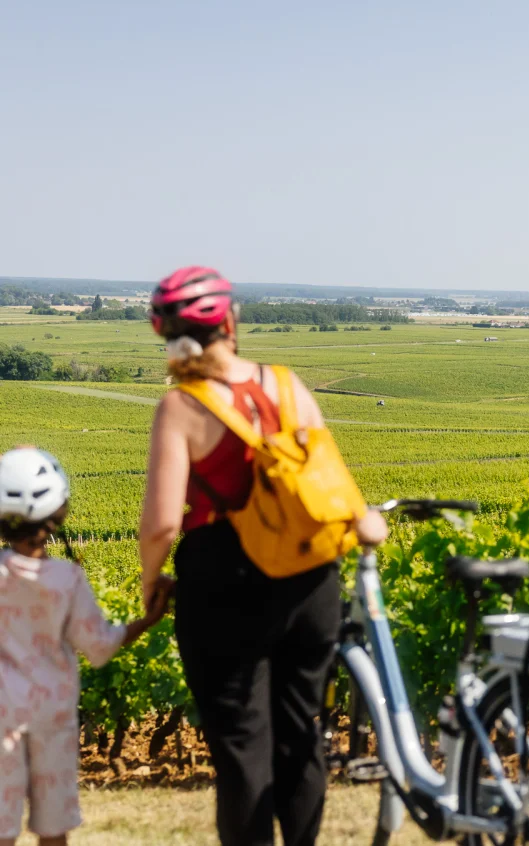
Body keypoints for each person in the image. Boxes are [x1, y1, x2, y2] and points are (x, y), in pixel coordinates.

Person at [140, 266, 387, 846]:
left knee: (242, 748)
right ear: (231, 322)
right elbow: (330, 483)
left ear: (166, 335)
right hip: (309, 580)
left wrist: (152, 581)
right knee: (302, 736)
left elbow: (161, 523)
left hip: (222, 587)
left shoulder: (180, 408)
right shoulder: (286, 384)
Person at [0, 448, 173, 846]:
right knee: (53, 827)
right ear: (58, 512)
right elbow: (99, 646)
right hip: (53, 720)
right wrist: (149, 619)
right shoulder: (67, 579)